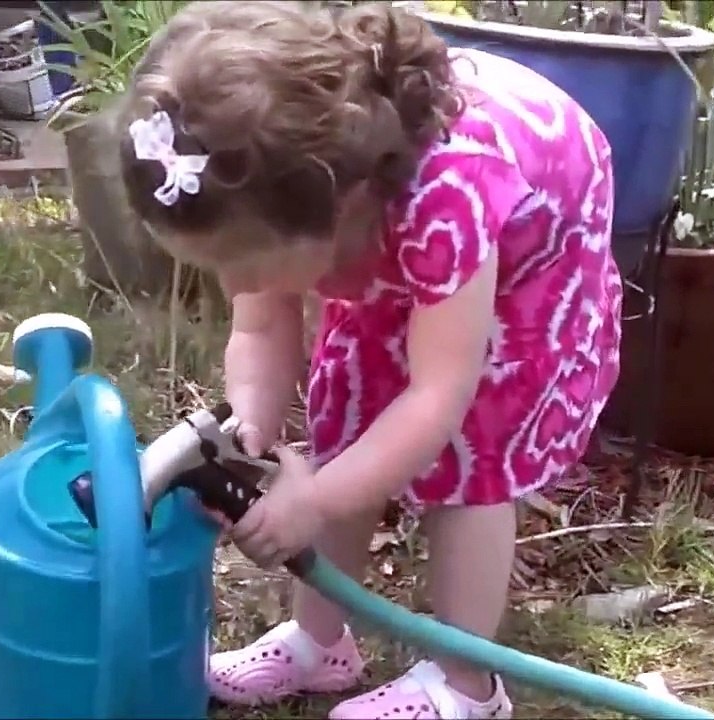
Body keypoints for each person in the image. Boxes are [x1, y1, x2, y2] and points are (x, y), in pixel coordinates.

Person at [117, 2, 622, 718]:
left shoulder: (450, 196)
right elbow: (260, 329)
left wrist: (313, 501)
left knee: (474, 457)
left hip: (527, 247)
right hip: (400, 243)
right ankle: (318, 643)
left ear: (342, 206)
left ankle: (467, 683)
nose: (240, 285)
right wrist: (252, 438)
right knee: (344, 420)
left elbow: (437, 396)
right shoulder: (282, 190)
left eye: (248, 263)